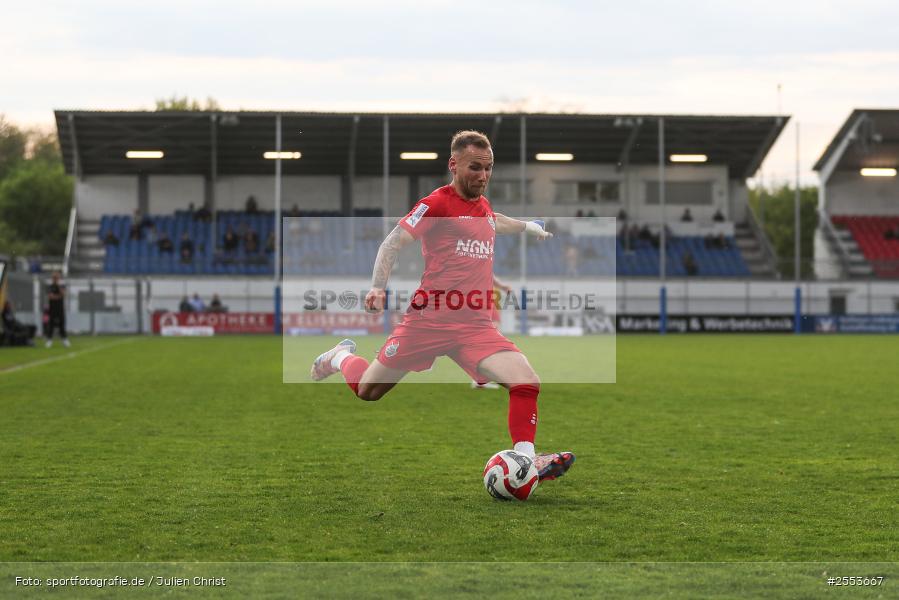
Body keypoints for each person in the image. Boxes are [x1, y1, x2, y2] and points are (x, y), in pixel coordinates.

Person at [310, 130, 575, 484]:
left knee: (526, 381)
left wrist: (529, 226)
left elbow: (499, 221)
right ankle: (340, 357)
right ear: (454, 165)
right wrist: (377, 286)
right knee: (367, 391)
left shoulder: (483, 208)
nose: (482, 176)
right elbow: (392, 242)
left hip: (475, 327)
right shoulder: (436, 204)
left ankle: (528, 462)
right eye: (475, 168)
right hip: (428, 323)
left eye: (488, 168)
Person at [472, 274, 512, 390]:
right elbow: (488, 274)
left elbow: (489, 274)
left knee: (488, 342)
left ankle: (481, 380)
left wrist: (502, 286)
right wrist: (503, 286)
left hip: (480, 298)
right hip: (481, 298)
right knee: (490, 342)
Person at [45, 271, 69, 348]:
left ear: (59, 278)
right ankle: (49, 340)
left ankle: (64, 339)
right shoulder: (50, 287)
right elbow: (51, 296)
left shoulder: (61, 286)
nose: (55, 279)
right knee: (51, 324)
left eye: (57, 277)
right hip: (52, 308)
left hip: (60, 308)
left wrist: (59, 289)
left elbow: (63, 294)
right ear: (52, 278)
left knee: (62, 324)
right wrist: (58, 296)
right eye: (54, 277)